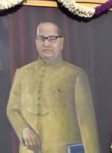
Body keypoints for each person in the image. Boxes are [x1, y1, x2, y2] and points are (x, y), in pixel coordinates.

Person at [6, 22, 99, 153]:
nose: (46, 44)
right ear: (35, 42)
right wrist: (24, 130)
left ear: (62, 42)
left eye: (52, 38)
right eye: (42, 38)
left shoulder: (75, 75)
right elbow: (12, 109)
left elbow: (87, 125)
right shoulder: (22, 73)